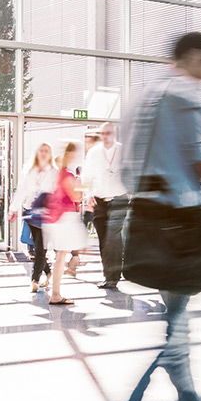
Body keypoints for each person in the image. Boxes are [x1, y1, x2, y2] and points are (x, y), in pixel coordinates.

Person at [110, 31, 201, 401]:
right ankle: (188, 400)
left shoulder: (143, 96)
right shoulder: (184, 96)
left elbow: (127, 167)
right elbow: (198, 165)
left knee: (175, 311)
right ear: (193, 56)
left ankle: (182, 384)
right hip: (179, 224)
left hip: (142, 219)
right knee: (178, 314)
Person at [83, 122, 128, 290]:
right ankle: (112, 272)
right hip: (99, 200)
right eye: (102, 133)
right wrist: (87, 195)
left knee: (112, 238)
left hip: (119, 199)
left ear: (114, 133)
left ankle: (112, 278)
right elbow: (87, 176)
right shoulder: (94, 152)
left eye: (108, 133)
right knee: (104, 239)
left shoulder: (122, 150)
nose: (105, 136)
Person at [42, 142, 87, 305]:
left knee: (61, 255)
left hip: (57, 217)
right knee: (62, 256)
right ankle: (56, 293)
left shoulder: (56, 174)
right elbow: (75, 196)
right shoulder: (66, 175)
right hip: (65, 218)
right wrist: (85, 185)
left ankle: (57, 291)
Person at [15, 142, 59, 292]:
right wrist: (13, 209)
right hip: (29, 212)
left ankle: (34, 279)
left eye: (47, 150)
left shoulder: (54, 171)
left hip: (45, 215)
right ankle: (48, 272)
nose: (43, 153)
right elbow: (21, 191)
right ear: (36, 152)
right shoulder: (29, 170)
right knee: (37, 246)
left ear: (50, 154)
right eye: (41, 150)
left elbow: (56, 193)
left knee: (40, 248)